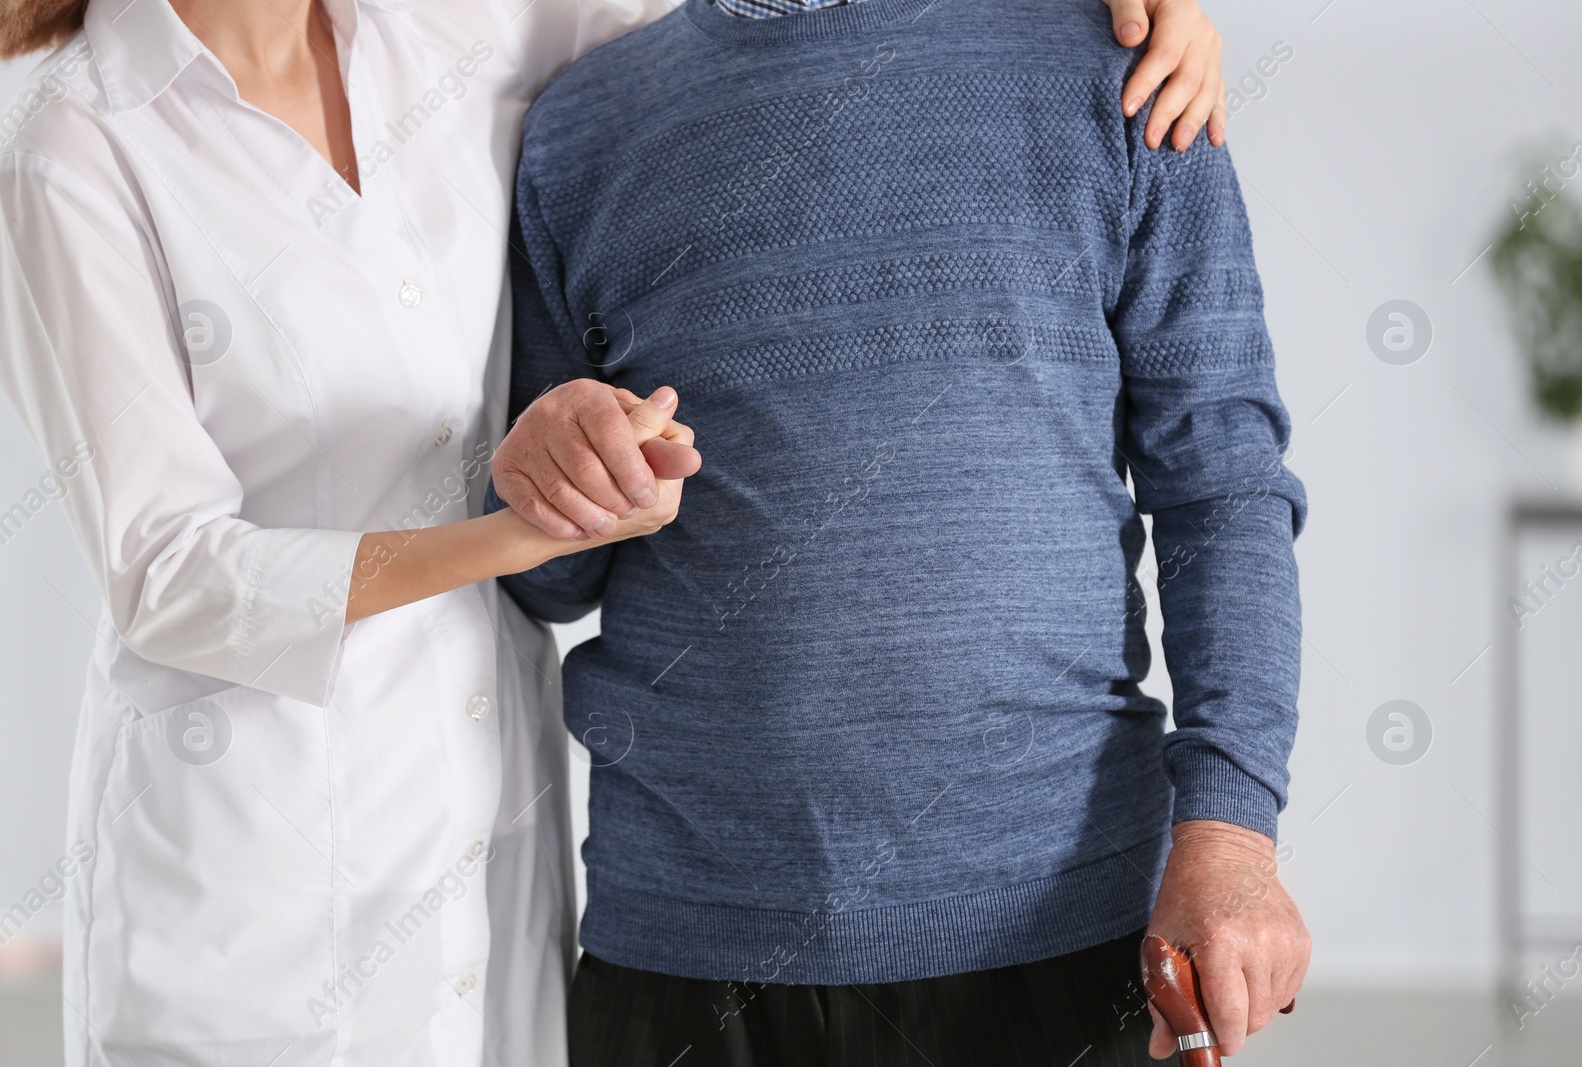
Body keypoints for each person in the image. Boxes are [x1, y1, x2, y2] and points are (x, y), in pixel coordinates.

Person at [0, 0, 1227, 1065]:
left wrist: (1131, 11)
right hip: (241, 858)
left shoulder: (459, 33)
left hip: (485, 826)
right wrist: (517, 526)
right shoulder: (77, 145)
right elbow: (166, 571)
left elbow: (753, 41)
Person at [486, 0, 1312, 1063]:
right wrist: (549, 462)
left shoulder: (1127, 69)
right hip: (686, 948)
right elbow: (550, 579)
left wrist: (1231, 830)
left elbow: (1221, 486)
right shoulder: (578, 125)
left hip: (1053, 929)